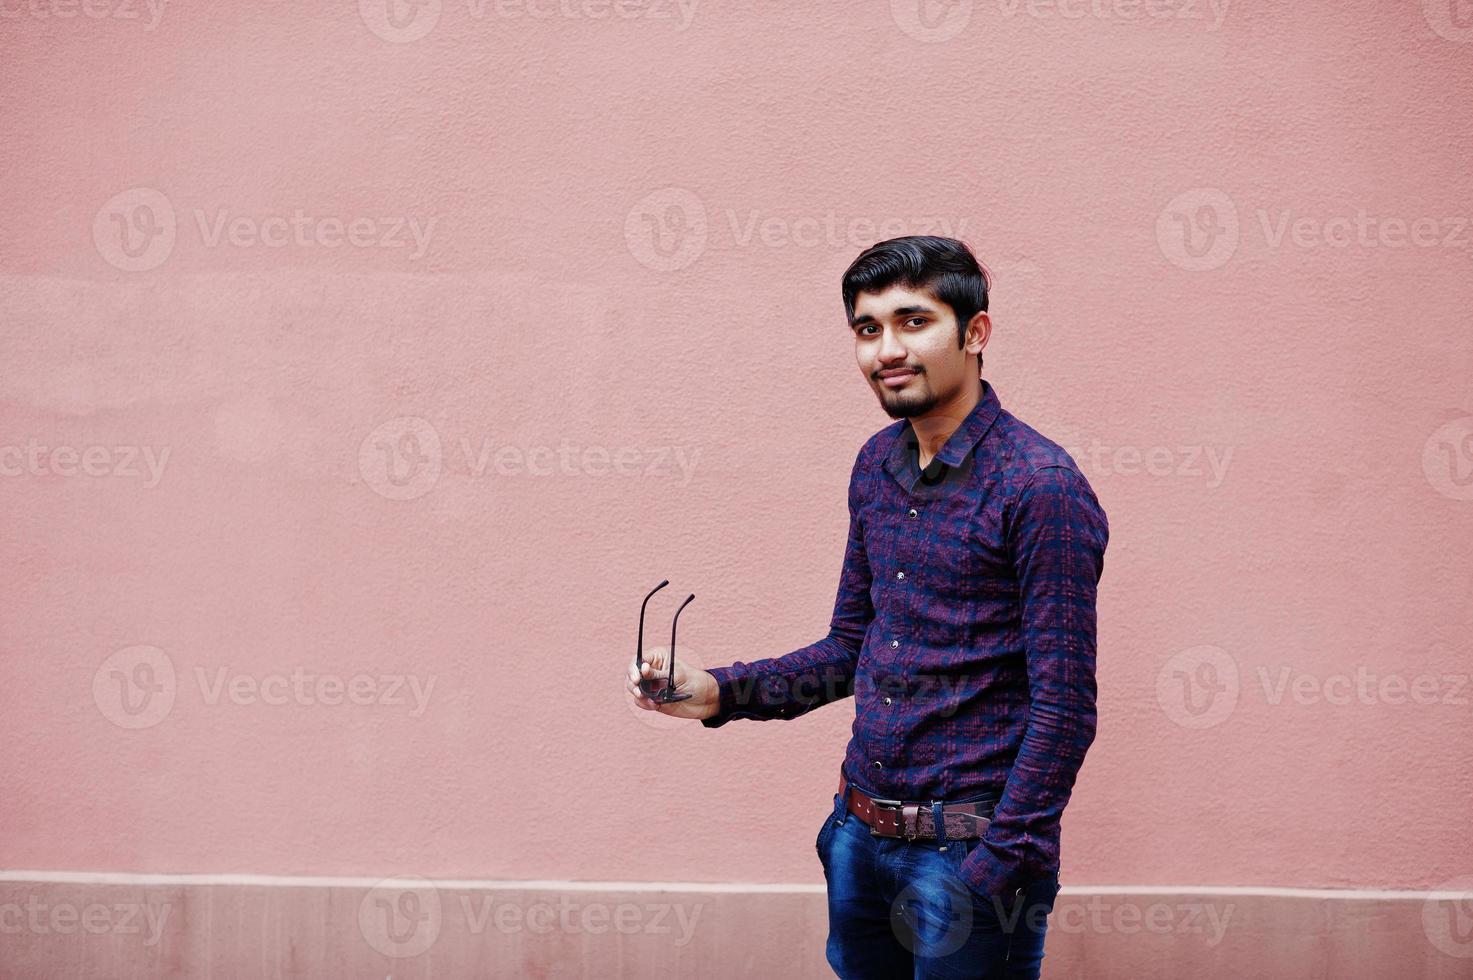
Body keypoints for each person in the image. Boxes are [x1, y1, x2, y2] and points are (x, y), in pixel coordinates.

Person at [625, 236, 1109, 979]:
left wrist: (993, 866)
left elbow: (1065, 708)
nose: (887, 348)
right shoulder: (876, 465)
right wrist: (718, 691)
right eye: (866, 328)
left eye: (913, 322)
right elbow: (849, 648)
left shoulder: (1039, 486)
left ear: (974, 333)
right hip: (859, 838)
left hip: (969, 857)